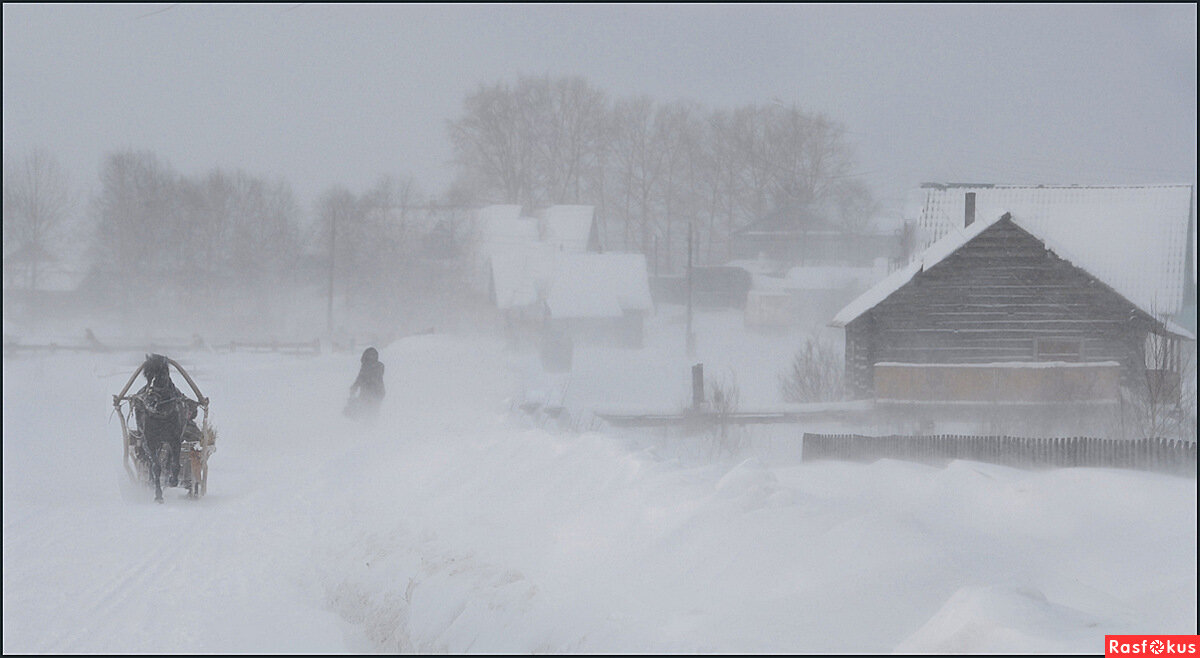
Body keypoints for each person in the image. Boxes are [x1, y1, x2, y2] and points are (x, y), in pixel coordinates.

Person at [345, 346, 385, 419]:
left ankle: (369, 425)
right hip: (375, 393)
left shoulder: (373, 366)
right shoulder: (377, 366)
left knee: (369, 412)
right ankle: (370, 425)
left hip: (372, 393)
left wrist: (354, 387)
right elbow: (361, 377)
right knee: (370, 411)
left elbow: (361, 378)